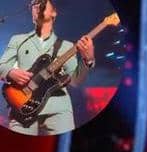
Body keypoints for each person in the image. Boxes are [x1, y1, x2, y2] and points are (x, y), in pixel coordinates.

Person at [0, 0, 95, 136]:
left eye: (43, 2)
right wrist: (10, 72)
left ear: (54, 12)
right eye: (34, 3)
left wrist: (88, 59)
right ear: (32, 12)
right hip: (21, 108)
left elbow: (75, 81)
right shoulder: (17, 40)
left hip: (58, 110)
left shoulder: (67, 46)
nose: (38, 5)